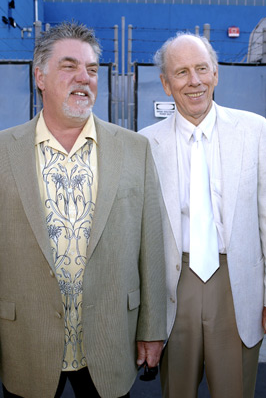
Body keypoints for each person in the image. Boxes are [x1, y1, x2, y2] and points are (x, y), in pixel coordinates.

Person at [0, 22, 167, 398]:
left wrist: (152, 329)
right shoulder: (3, 152)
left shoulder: (133, 149)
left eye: (92, 69)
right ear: (39, 76)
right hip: (25, 341)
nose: (84, 78)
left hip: (110, 341)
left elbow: (151, 244)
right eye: (69, 66)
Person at [139, 32, 266, 398]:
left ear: (215, 74)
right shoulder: (145, 144)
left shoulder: (255, 131)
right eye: (181, 73)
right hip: (174, 287)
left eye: (201, 69)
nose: (194, 81)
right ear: (165, 83)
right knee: (177, 391)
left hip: (238, 284)